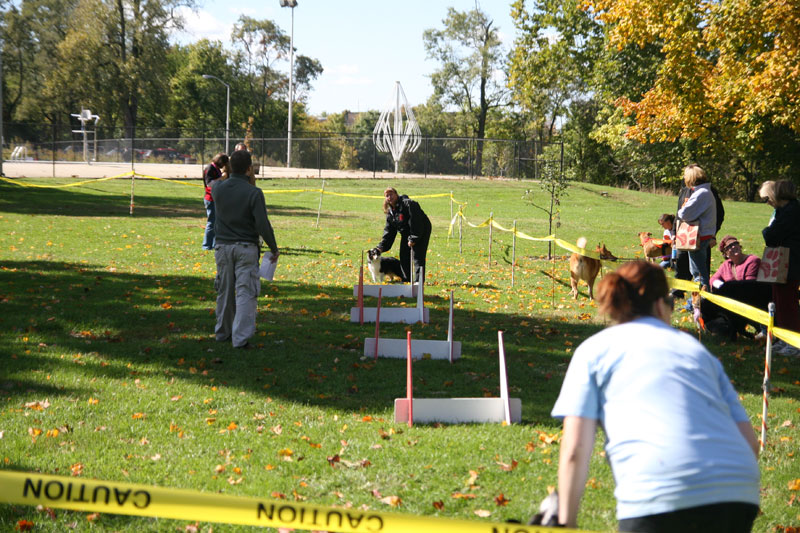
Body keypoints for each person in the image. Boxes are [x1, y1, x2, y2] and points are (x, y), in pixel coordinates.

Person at [552, 260, 760, 532]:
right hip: (737, 492)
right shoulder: (697, 352)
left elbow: (575, 449)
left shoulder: (594, 351)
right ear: (662, 305)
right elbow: (750, 444)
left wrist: (564, 522)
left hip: (656, 494)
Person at [211, 150, 279, 349]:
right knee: (245, 293)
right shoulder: (254, 193)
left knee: (224, 290)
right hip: (246, 247)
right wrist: (273, 247)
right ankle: (240, 338)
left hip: (223, 247)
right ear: (250, 169)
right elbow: (262, 224)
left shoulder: (218, 189)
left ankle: (222, 332)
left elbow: (216, 185)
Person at [699, 236, 770, 339]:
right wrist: (721, 286)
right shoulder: (726, 265)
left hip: (752, 301)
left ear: (740, 247)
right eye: (729, 247)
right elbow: (713, 279)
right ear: (726, 254)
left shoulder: (752, 260)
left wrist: (728, 288)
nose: (733, 247)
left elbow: (749, 285)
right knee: (706, 305)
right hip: (733, 302)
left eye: (735, 244)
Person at [760, 179, 800, 356]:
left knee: (787, 302)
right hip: (783, 261)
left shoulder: (791, 212)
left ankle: (794, 341)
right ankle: (782, 338)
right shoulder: (784, 211)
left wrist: (766, 232)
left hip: (791, 261)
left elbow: (772, 235)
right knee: (778, 301)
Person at [372, 187, 432, 283]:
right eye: (387, 195)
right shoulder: (391, 213)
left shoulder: (409, 204)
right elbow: (389, 232)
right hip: (406, 232)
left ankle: (418, 282)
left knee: (418, 256)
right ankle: (406, 279)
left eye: (391, 194)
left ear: (396, 194)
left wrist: (414, 238)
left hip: (421, 228)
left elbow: (416, 221)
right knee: (404, 255)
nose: (389, 197)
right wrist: (381, 247)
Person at [677, 164, 716, 288]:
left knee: (698, 273)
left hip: (699, 237)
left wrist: (682, 209)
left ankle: (701, 302)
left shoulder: (701, 194)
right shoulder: (706, 192)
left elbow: (684, 214)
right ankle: (696, 301)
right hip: (703, 235)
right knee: (699, 270)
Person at [202, 153, 229, 250]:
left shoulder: (216, 168)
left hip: (216, 198)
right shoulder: (210, 168)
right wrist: (222, 177)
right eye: (224, 163)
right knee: (211, 222)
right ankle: (206, 245)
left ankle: (214, 244)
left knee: (216, 223)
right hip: (210, 199)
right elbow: (210, 184)